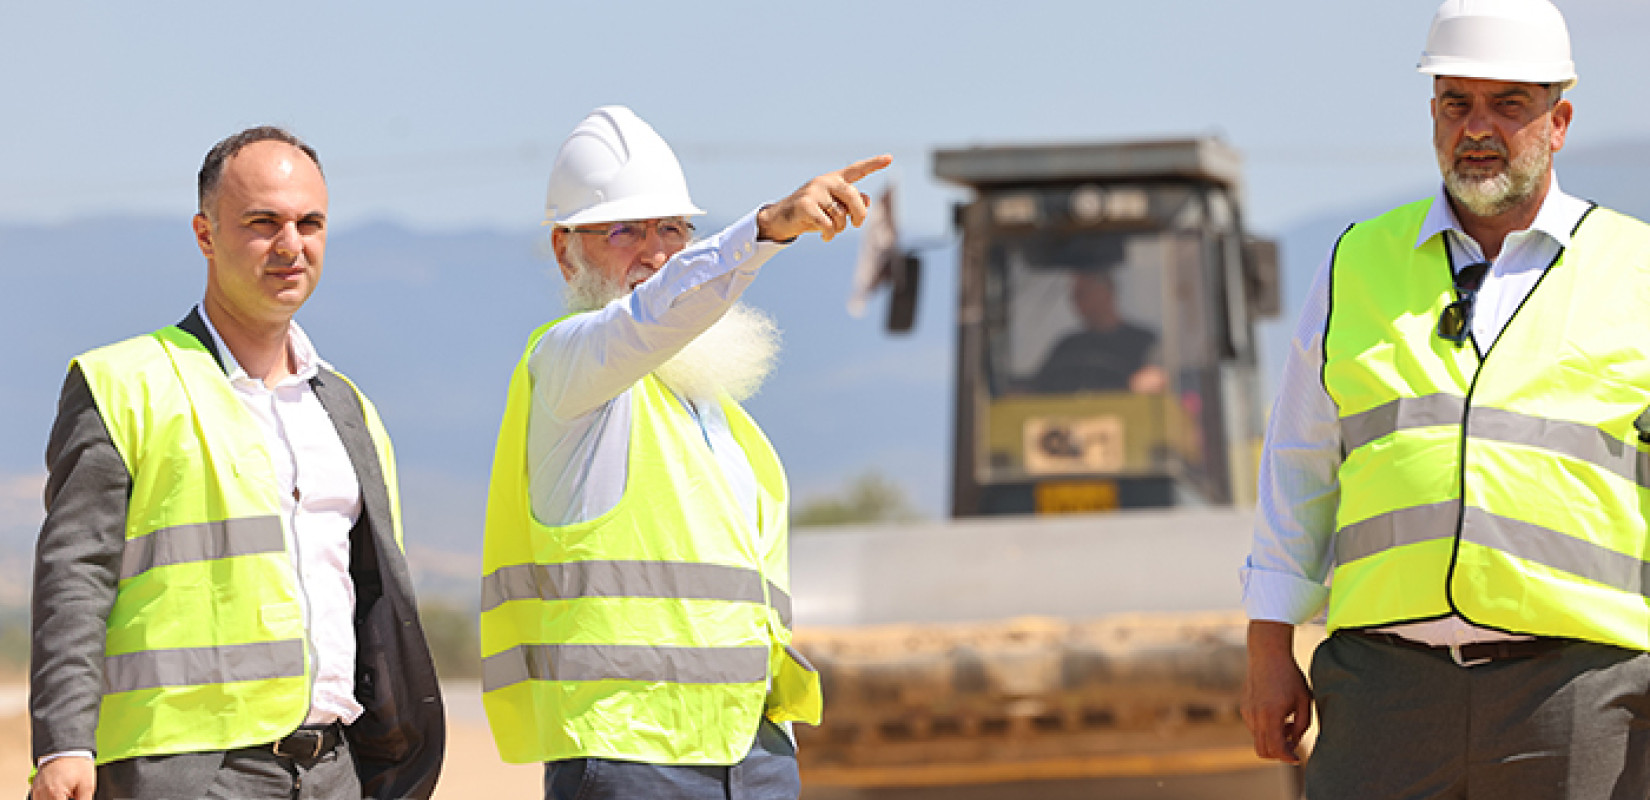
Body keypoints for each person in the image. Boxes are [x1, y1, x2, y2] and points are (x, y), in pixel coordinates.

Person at [1241, 0, 1650, 796]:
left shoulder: (1638, 272)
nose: (1477, 128)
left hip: (1578, 687)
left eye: (1509, 105)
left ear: (1558, 121)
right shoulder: (1357, 264)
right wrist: (1267, 647)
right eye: (1456, 103)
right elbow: (1299, 464)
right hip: (1382, 689)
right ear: (1433, 113)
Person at [479, 106, 889, 800]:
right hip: (630, 756)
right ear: (563, 249)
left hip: (749, 754)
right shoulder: (570, 371)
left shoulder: (714, 413)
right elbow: (653, 317)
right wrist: (765, 230)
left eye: (672, 229)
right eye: (625, 231)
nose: (657, 252)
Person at [29, 126, 445, 800]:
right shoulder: (124, 384)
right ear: (206, 235)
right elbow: (75, 578)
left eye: (310, 223)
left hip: (334, 771)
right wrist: (65, 744)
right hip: (185, 772)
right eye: (264, 222)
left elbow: (370, 595)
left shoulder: (349, 409)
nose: (291, 245)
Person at [1031, 269, 1165, 394]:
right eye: (1073, 296)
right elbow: (1036, 390)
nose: (1076, 302)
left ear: (1107, 293)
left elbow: (1158, 381)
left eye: (1082, 294)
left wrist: (1145, 383)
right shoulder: (1067, 346)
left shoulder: (1144, 342)